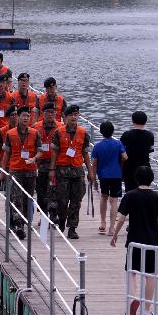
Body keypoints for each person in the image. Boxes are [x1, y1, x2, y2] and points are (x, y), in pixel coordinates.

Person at [110, 165, 158, 315]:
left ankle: (132, 299)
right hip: (151, 241)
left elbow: (122, 218)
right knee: (151, 275)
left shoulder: (130, 196)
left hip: (133, 240)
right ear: (151, 179)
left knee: (132, 271)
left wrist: (114, 235)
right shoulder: (157, 197)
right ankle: (146, 310)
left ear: (136, 178)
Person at [49, 104, 90, 239]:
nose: (74, 117)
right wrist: (52, 169)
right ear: (65, 117)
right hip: (62, 170)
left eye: (76, 115)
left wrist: (90, 171)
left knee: (76, 200)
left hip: (77, 170)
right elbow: (54, 152)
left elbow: (85, 153)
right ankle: (61, 220)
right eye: (71, 115)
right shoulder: (58, 132)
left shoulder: (83, 133)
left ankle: (72, 227)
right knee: (62, 200)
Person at [1, 106, 39, 240]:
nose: (25, 118)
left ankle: (25, 222)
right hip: (15, 170)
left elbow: (40, 151)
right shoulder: (10, 134)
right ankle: (19, 226)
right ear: (18, 118)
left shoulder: (35, 133)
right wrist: (3, 171)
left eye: (28, 116)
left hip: (30, 170)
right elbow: (6, 153)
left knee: (28, 198)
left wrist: (34, 158)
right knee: (17, 198)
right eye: (23, 116)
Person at [90, 121, 128, 234]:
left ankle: (102, 223)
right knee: (114, 200)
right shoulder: (118, 144)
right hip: (116, 175)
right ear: (113, 131)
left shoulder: (97, 146)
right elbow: (125, 157)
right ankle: (112, 227)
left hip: (103, 176)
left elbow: (94, 163)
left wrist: (94, 178)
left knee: (104, 196)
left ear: (101, 132)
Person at [33, 102, 58, 216]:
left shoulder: (60, 127)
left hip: (54, 165)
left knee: (53, 189)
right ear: (43, 113)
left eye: (52, 112)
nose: (50, 114)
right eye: (48, 112)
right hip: (40, 164)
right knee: (40, 190)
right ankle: (43, 214)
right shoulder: (36, 127)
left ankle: (52, 214)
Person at [121, 111, 154, 192]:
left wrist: (121, 170)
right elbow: (150, 151)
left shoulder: (126, 135)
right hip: (145, 169)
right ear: (145, 121)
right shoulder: (150, 135)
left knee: (130, 193)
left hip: (129, 169)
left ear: (133, 121)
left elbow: (122, 154)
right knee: (145, 193)